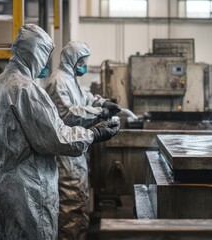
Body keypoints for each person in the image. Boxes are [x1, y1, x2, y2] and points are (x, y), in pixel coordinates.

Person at [0, 25, 119, 240]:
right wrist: (94, 134)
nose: (45, 63)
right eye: (44, 56)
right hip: (26, 191)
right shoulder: (26, 90)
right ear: (35, 54)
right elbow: (56, 138)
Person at [46, 41, 121, 240]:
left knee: (79, 203)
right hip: (66, 154)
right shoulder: (58, 81)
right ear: (73, 60)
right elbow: (68, 113)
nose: (85, 65)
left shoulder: (69, 79)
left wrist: (102, 102)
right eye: (83, 61)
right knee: (71, 206)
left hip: (77, 150)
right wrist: (101, 112)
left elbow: (83, 99)